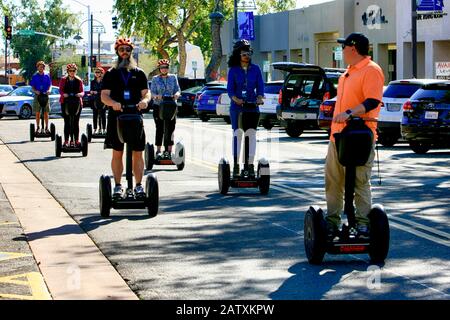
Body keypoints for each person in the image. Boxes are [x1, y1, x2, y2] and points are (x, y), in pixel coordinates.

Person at [325, 32, 385, 240]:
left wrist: (349, 113)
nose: (341, 50)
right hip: (338, 137)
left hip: (360, 137)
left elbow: (373, 101)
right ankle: (332, 222)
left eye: (343, 47)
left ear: (353, 48)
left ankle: (362, 224)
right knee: (333, 181)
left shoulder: (371, 70)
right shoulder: (346, 74)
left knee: (359, 182)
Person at [101, 37, 151, 198]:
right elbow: (104, 96)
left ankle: (138, 185)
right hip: (117, 118)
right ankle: (117, 185)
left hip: (135, 116)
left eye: (128, 50)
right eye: (122, 50)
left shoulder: (139, 73)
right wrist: (113, 103)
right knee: (117, 152)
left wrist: (144, 101)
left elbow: (146, 93)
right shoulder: (111, 74)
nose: (125, 53)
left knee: (138, 152)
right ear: (117, 52)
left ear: (131, 52)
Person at [226, 39, 264, 177]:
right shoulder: (233, 70)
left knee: (252, 135)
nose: (247, 56)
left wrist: (260, 97)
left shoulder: (256, 69)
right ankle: (236, 165)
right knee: (238, 134)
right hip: (237, 108)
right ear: (238, 55)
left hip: (252, 107)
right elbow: (230, 89)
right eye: (244, 54)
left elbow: (260, 86)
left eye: (249, 53)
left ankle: (250, 165)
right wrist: (236, 99)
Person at [150, 59, 181, 160]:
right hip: (159, 106)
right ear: (159, 69)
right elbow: (152, 92)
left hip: (171, 106)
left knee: (170, 129)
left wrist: (176, 95)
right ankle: (158, 150)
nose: (164, 69)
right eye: (162, 67)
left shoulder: (173, 77)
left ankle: (169, 151)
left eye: (166, 67)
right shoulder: (155, 79)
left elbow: (177, 90)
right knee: (160, 128)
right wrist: (156, 96)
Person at [58, 63, 84, 147]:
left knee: (76, 122)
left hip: (76, 103)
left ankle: (76, 140)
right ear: (68, 71)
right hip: (66, 102)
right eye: (70, 71)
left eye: (74, 71)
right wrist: (63, 94)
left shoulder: (78, 80)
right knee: (67, 122)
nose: (72, 72)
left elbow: (82, 92)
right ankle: (66, 141)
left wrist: (80, 94)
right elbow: (60, 90)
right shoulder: (63, 80)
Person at [30, 61, 52, 134]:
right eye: (40, 67)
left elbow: (50, 85)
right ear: (37, 67)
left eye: (42, 67)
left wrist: (49, 90)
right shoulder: (35, 76)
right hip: (38, 96)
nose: (41, 68)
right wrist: (36, 91)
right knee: (37, 112)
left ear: (44, 68)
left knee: (46, 112)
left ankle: (46, 127)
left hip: (45, 95)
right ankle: (38, 127)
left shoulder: (47, 76)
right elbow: (32, 87)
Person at [90, 67, 107, 134]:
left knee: (103, 114)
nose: (97, 74)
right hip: (95, 100)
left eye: (98, 72)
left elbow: (105, 91)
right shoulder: (93, 82)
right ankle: (95, 128)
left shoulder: (104, 82)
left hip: (103, 100)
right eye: (96, 72)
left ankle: (103, 129)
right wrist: (92, 92)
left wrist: (98, 92)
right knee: (95, 114)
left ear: (101, 73)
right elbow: (91, 90)